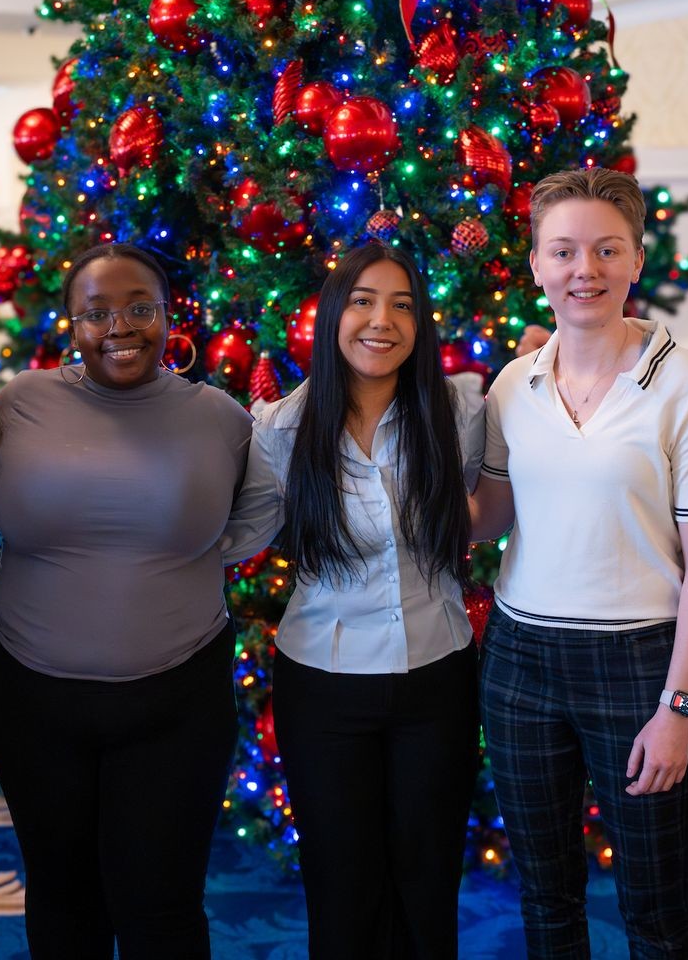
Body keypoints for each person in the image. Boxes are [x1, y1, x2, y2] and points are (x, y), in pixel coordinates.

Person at [470, 168, 688, 959]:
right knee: (545, 890)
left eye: (604, 249)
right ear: (535, 265)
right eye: (562, 251)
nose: (582, 269)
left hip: (640, 666)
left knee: (654, 902)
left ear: (634, 260)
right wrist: (391, 468)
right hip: (520, 659)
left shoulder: (687, 388)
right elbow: (489, 519)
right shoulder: (513, 384)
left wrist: (679, 708)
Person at [0, 243, 268, 959]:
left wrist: (176, 561)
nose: (121, 326)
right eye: (97, 312)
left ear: (170, 316)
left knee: (162, 904)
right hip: (31, 698)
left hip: (176, 701)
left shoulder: (221, 418)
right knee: (60, 894)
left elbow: (259, 513)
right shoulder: (20, 404)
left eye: (141, 308)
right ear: (71, 323)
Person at [236, 243, 484, 958]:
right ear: (333, 314)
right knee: (341, 886)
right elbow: (234, 535)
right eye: (364, 300)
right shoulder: (282, 427)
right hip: (323, 681)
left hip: (436, 677)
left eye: (403, 305)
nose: (382, 320)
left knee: (428, 880)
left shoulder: (461, 409)